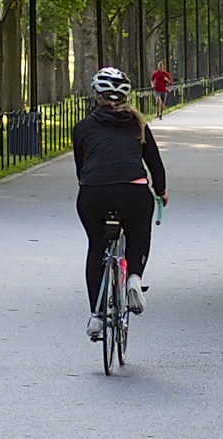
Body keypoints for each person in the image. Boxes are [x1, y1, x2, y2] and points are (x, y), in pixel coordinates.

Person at [73, 66, 168, 341]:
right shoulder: (138, 124)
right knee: (139, 234)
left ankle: (96, 316)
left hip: (93, 193)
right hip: (133, 192)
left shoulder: (82, 128)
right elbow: (155, 164)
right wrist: (161, 191)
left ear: (96, 95)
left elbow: (81, 169)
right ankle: (135, 277)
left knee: (96, 246)